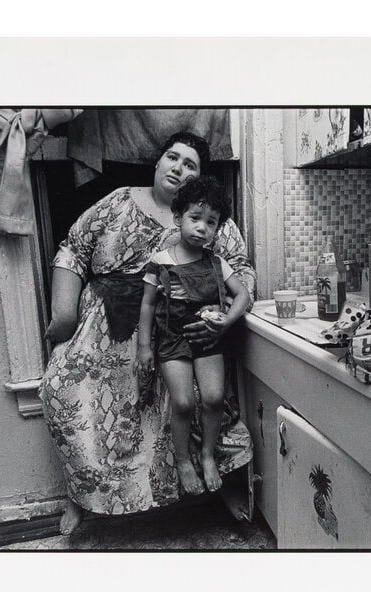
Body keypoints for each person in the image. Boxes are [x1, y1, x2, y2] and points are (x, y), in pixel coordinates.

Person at [40, 132, 256, 535]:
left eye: (190, 164)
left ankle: (220, 480)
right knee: (62, 390)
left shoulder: (206, 217)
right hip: (107, 329)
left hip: (184, 332)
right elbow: (73, 248)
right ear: (156, 163)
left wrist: (219, 314)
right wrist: (63, 314)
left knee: (205, 399)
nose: (179, 168)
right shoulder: (119, 200)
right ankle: (83, 497)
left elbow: (239, 270)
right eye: (172, 157)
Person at [135, 176, 251, 495]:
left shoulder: (217, 263)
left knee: (214, 399)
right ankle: (184, 460)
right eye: (195, 218)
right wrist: (144, 347)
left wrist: (226, 322)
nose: (202, 228)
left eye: (210, 222)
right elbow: (146, 305)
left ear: (217, 229)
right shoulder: (160, 262)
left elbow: (242, 295)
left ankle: (207, 455)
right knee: (183, 403)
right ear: (178, 218)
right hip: (172, 339)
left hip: (210, 338)